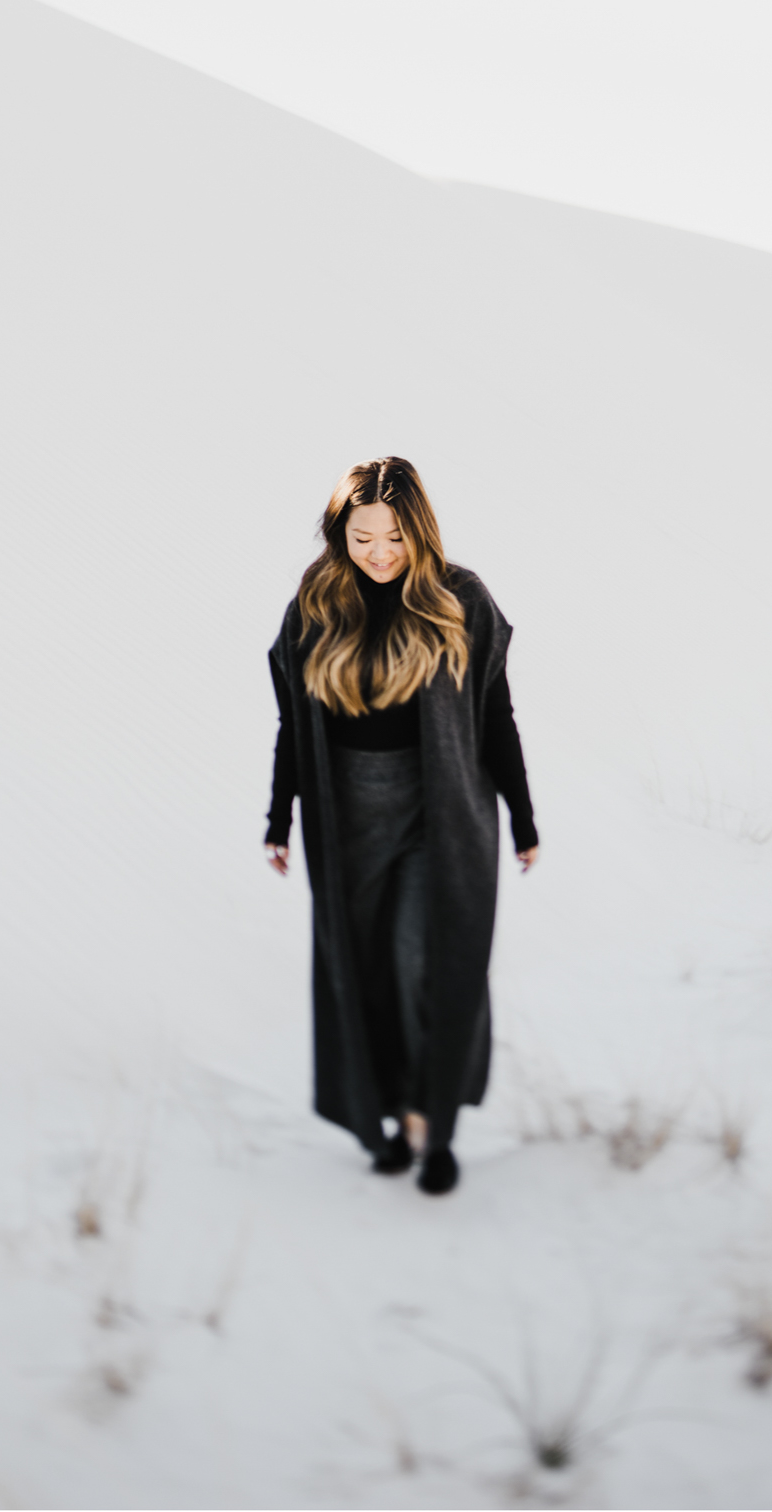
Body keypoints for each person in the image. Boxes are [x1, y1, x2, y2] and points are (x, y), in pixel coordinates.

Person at [263, 457, 539, 1196]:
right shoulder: (316, 606)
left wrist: (523, 816)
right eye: (362, 538)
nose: (380, 553)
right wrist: (278, 817)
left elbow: (495, 714)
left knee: (429, 962)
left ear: (418, 530)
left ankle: (433, 1125)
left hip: (438, 815)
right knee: (368, 973)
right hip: (346, 818)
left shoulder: (459, 600)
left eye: (393, 536)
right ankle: (384, 1117)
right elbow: (293, 724)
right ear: (339, 536)